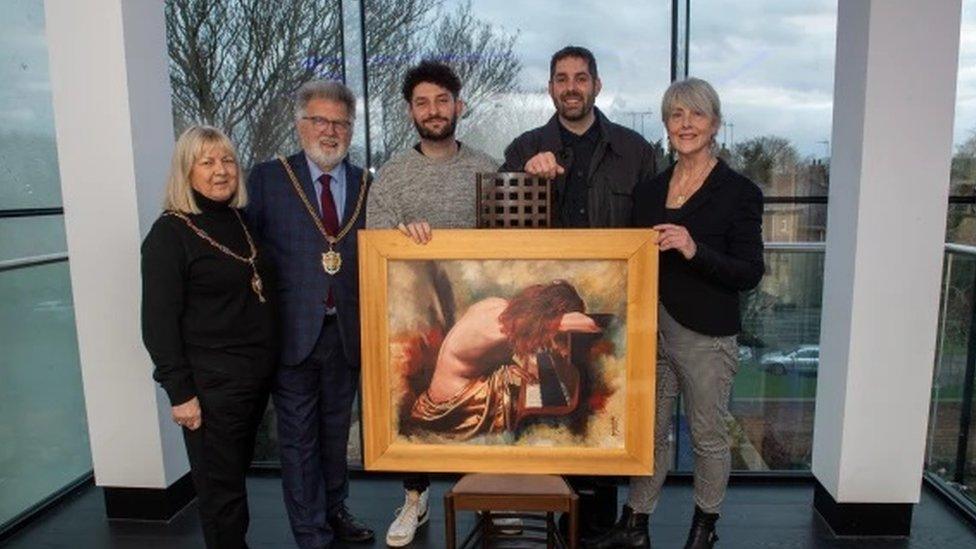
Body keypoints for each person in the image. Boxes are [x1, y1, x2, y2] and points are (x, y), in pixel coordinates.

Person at [583, 78, 764, 549]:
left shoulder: (738, 191)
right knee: (647, 434)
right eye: (677, 115)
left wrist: (692, 247)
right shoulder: (650, 190)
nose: (686, 124)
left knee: (706, 436)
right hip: (648, 333)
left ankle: (704, 530)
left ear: (715, 124)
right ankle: (635, 526)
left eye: (697, 115)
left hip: (706, 336)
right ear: (666, 124)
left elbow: (749, 271)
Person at [501, 45, 659, 538]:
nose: (572, 86)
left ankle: (596, 531)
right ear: (550, 88)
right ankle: (553, 527)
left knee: (602, 414)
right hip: (548, 319)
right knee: (553, 414)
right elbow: (498, 232)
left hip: (614, 314)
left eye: (581, 77)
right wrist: (523, 180)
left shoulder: (636, 151)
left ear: (596, 85)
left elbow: (651, 236)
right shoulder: (523, 148)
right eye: (562, 78)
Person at [365, 60, 498, 547]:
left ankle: (483, 495)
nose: (434, 110)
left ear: (458, 106)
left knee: (478, 394)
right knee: (414, 398)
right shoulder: (393, 178)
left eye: (442, 101)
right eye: (422, 103)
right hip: (415, 315)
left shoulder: (487, 168)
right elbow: (376, 253)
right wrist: (400, 238)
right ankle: (415, 498)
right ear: (409, 112)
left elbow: (508, 244)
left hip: (476, 306)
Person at [245, 81, 374, 548]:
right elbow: (248, 258)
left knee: (336, 435)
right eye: (320, 120)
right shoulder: (266, 179)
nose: (330, 131)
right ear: (300, 124)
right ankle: (311, 534)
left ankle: (335, 512)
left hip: (345, 334)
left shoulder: (366, 184)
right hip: (292, 336)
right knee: (298, 443)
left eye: (340, 122)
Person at [142, 125, 276, 549]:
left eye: (228, 160)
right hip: (210, 385)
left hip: (252, 381)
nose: (221, 171)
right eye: (207, 162)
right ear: (186, 171)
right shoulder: (169, 234)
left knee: (232, 479)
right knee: (221, 493)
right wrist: (180, 393)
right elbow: (157, 323)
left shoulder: (239, 219)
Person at [408, 281, 601, 439]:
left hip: (444, 392)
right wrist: (563, 322)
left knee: (520, 381)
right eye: (560, 337)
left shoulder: (496, 305)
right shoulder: (512, 327)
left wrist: (510, 365)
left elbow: (480, 354)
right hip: (452, 408)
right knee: (520, 403)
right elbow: (590, 325)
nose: (564, 351)